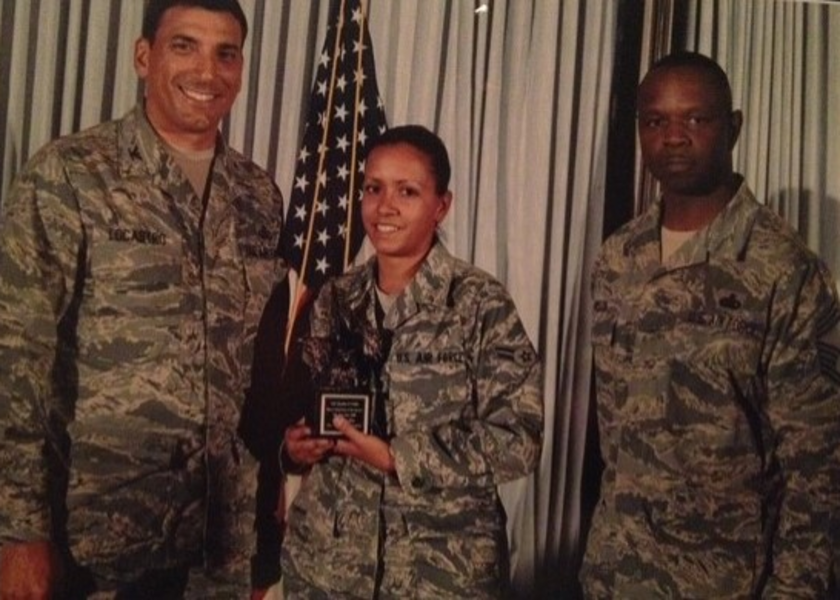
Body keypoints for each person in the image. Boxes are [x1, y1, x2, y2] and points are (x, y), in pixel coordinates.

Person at [0, 0, 286, 597]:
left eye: (225, 53)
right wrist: (17, 530)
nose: (208, 72)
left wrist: (262, 534)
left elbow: (262, 376)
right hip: (94, 545)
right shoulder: (71, 175)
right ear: (142, 56)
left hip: (220, 550)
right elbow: (15, 360)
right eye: (185, 45)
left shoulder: (258, 196)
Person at [581, 50, 840, 597]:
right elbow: (618, 442)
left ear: (734, 127)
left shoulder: (784, 270)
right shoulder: (618, 258)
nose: (673, 137)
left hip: (726, 583)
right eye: (656, 122)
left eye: (696, 119)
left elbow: (818, 471)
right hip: (618, 573)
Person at [267, 125, 543, 598]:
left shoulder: (479, 304)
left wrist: (398, 457)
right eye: (373, 188)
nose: (385, 206)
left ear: (441, 206)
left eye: (407, 191)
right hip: (330, 570)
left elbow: (518, 438)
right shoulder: (336, 298)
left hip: (438, 571)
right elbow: (300, 413)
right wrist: (295, 449)